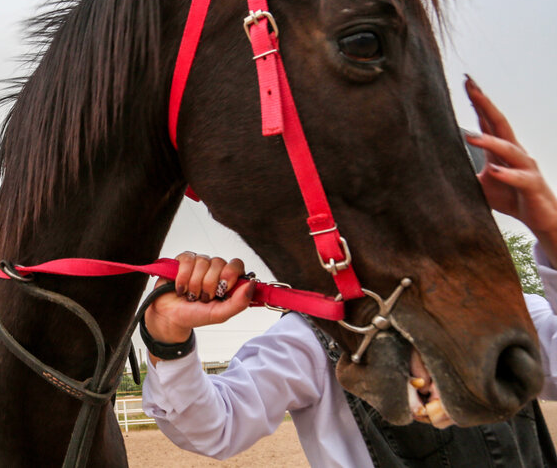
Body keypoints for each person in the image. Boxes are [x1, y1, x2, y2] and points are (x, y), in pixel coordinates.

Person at [141, 77, 557, 467]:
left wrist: (550, 230)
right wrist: (167, 336)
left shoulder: (510, 314)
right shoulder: (312, 339)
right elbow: (215, 427)